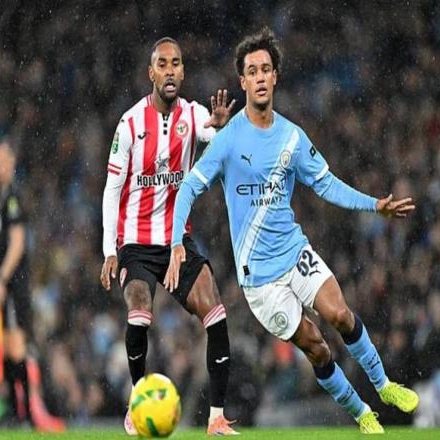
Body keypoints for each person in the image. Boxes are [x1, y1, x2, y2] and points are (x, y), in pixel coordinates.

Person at [165, 28, 419, 434]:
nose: (260, 77)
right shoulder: (228, 140)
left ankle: (384, 385)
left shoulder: (291, 137)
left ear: (275, 77)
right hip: (260, 282)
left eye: (266, 69)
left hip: (294, 251)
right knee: (318, 348)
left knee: (340, 314)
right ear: (243, 81)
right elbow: (188, 188)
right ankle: (361, 413)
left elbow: (327, 184)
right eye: (252, 71)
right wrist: (178, 240)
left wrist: (375, 204)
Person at [100, 37, 239, 436]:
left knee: (216, 312)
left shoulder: (194, 116)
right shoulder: (129, 124)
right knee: (139, 310)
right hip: (135, 243)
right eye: (162, 64)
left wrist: (223, 128)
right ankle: (137, 403)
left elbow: (220, 141)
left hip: (176, 241)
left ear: (183, 71)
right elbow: (112, 189)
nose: (170, 70)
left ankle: (216, 418)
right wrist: (110, 250)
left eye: (176, 63)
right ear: (151, 73)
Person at [0, 138, 65, 432]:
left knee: (17, 347)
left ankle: (25, 414)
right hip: (10, 284)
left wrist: (1, 278)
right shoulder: (4, 197)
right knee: (10, 349)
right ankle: (17, 410)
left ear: (12, 161)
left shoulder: (13, 198)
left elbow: (18, 243)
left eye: (1, 160)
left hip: (14, 284)